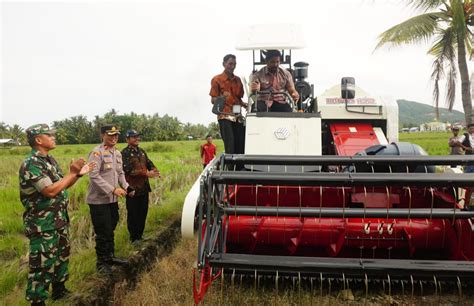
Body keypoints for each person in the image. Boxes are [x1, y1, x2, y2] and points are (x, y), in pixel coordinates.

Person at [19, 124, 95, 306]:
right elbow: (50, 191)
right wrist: (72, 173)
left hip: (59, 220)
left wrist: (76, 176)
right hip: (42, 224)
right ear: (38, 140)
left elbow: (62, 185)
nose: (54, 137)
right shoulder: (31, 163)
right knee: (42, 264)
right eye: (50, 135)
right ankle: (38, 301)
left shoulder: (50, 160)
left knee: (62, 256)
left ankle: (59, 292)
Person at [86, 124, 132, 274]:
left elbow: (120, 173)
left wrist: (126, 187)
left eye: (116, 135)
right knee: (103, 231)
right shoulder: (96, 153)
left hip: (112, 200)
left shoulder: (117, 153)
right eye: (110, 135)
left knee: (111, 228)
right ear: (102, 136)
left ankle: (110, 257)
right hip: (99, 201)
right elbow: (93, 176)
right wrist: (113, 189)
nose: (114, 138)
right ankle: (101, 263)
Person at [121, 129, 160, 243]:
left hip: (144, 187)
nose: (137, 139)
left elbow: (148, 163)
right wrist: (146, 173)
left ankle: (140, 235)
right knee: (133, 214)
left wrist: (155, 170)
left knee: (143, 212)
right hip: (132, 188)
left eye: (138, 136)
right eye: (134, 137)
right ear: (127, 140)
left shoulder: (141, 151)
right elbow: (128, 170)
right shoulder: (124, 153)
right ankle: (134, 238)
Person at [210, 54, 246, 154]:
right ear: (224, 64)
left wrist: (244, 105)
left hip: (237, 115)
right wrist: (222, 97)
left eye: (234, 64)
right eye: (230, 64)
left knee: (241, 144)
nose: (232, 66)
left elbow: (238, 99)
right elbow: (213, 99)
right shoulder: (217, 79)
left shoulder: (238, 80)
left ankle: (240, 168)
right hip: (224, 115)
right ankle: (230, 168)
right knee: (230, 145)